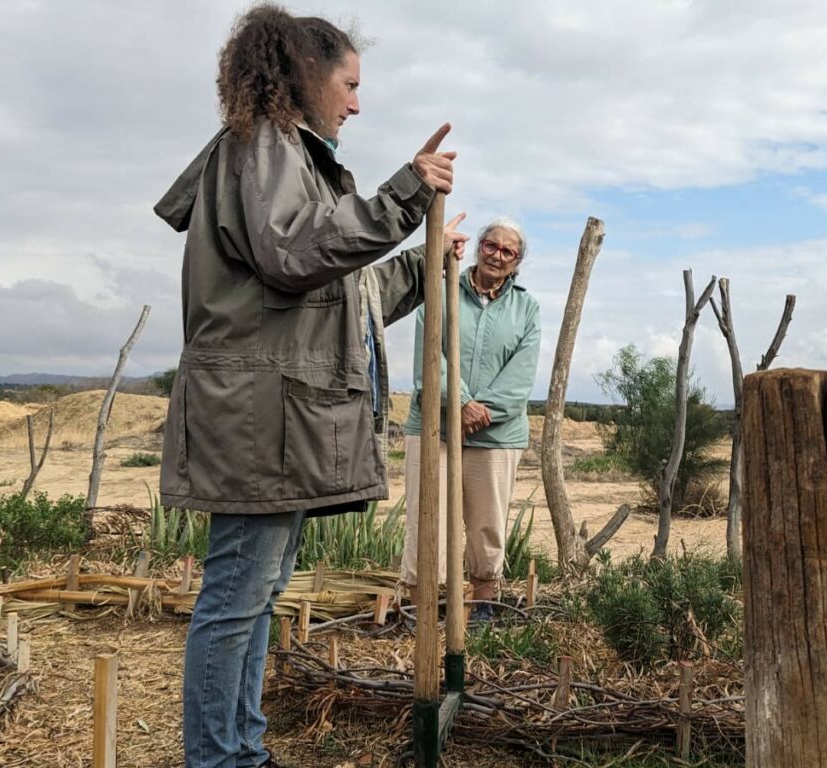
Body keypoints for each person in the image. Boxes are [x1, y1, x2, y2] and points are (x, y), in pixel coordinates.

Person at [152, 6, 466, 766]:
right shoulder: (265, 146)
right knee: (237, 598)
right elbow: (296, 255)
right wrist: (404, 194)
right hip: (259, 417)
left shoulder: (290, 157)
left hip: (274, 416)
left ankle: (242, 750)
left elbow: (343, 295)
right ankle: (221, 759)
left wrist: (423, 264)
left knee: (255, 596)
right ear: (305, 74)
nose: (357, 103)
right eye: (349, 84)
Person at [400, 218, 541, 621]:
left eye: (508, 251)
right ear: (478, 248)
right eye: (491, 246)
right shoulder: (440, 290)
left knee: (487, 524)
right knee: (427, 519)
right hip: (435, 427)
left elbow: (519, 379)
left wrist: (479, 412)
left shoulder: (527, 308)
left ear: (517, 262)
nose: (497, 255)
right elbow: (429, 356)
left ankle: (482, 607)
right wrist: (459, 403)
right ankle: (424, 612)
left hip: (496, 434)